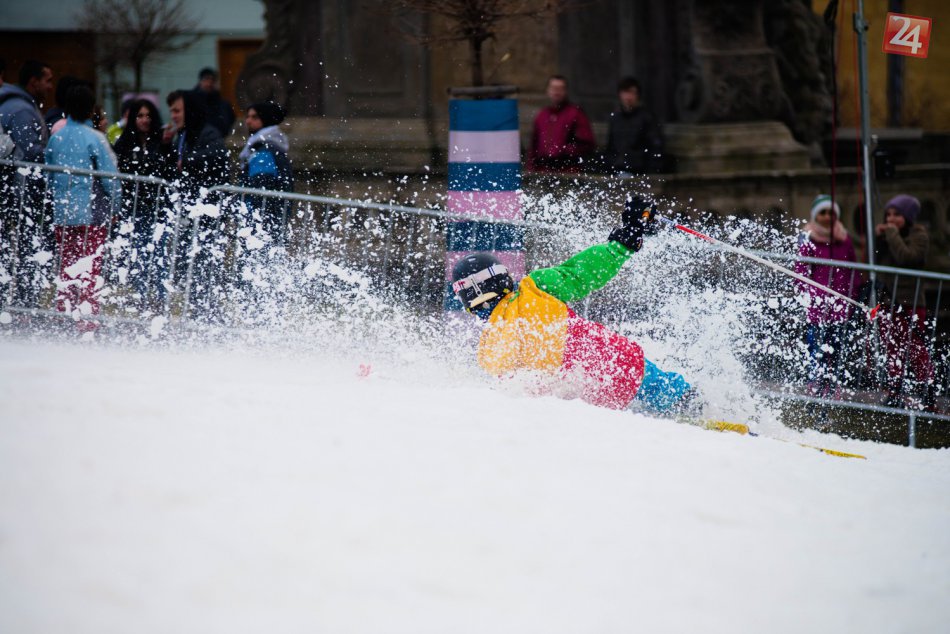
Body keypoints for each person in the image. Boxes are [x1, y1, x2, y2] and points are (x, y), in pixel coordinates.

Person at [451, 197, 699, 415]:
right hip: (615, 363)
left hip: (587, 397)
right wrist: (625, 239)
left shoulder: (490, 345)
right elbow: (583, 272)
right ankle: (689, 403)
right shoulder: (533, 288)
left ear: (467, 303)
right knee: (658, 385)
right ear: (503, 279)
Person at [45, 83, 121, 330]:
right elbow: (110, 178)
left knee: (67, 264)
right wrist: (115, 208)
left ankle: (64, 313)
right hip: (92, 214)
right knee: (89, 267)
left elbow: (48, 174)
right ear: (91, 110)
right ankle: (87, 319)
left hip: (62, 213)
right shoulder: (96, 139)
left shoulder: (56, 138)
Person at [873, 194, 935, 408]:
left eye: (897, 215)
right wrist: (878, 238)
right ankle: (894, 391)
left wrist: (891, 234)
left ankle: (927, 391)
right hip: (888, 301)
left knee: (916, 348)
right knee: (892, 348)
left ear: (908, 217)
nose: (891, 219)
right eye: (888, 214)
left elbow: (908, 258)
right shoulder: (889, 236)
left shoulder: (919, 235)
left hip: (910, 301)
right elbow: (874, 260)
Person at [793, 195, 859, 397]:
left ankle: (833, 384)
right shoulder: (808, 238)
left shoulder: (843, 238)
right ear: (815, 215)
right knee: (817, 347)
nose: (827, 217)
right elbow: (801, 270)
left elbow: (853, 268)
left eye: (831, 212)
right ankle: (816, 382)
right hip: (817, 306)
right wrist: (807, 294)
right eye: (822, 212)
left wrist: (854, 293)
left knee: (837, 347)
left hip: (840, 304)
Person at [114, 98, 174, 310]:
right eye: (140, 115)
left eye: (148, 115)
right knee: (137, 251)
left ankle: (158, 298)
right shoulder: (124, 143)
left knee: (158, 253)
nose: (144, 120)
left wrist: (166, 148)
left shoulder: (162, 141)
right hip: (134, 208)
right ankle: (140, 294)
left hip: (158, 207)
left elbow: (170, 171)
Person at [239, 100, 293, 241]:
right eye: (247, 116)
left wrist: (250, 214)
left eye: (254, 117)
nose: (248, 121)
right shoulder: (269, 147)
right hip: (270, 220)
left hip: (262, 222)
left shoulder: (264, 151)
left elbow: (261, 189)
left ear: (266, 119)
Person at [528, 75, 595, 173]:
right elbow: (534, 146)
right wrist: (531, 169)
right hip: (543, 171)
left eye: (560, 89)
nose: (556, 92)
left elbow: (587, 143)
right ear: (548, 90)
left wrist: (563, 150)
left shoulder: (575, 113)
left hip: (567, 171)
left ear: (566, 91)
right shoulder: (542, 115)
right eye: (554, 88)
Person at [604, 77, 663, 175]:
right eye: (625, 92)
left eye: (632, 93)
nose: (628, 97)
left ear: (637, 95)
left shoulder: (647, 118)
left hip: (638, 171)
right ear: (620, 94)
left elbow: (655, 147)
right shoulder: (615, 118)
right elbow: (611, 147)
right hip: (617, 169)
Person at [0, 59, 53, 162]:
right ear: (34, 82)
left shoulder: (20, 105)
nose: (50, 87)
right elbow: (30, 151)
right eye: (48, 81)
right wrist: (55, 153)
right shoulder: (22, 111)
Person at [191, 68, 236, 138]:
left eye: (212, 80)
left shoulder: (223, 105)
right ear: (200, 81)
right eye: (206, 79)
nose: (209, 83)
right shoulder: (191, 102)